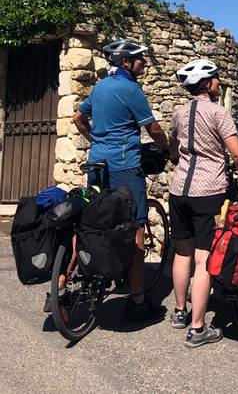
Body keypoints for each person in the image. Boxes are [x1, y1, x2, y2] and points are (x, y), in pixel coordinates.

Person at [73, 38, 170, 319]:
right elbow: (152, 128)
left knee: (92, 222)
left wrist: (95, 141)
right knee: (137, 228)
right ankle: (137, 299)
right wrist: (166, 148)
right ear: (126, 62)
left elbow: (79, 118)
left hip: (97, 164)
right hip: (125, 167)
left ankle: (67, 281)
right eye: (140, 59)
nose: (144, 63)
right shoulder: (132, 90)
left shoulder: (100, 87)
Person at [168, 58, 238, 348]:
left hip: (178, 191)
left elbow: (172, 149)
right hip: (208, 193)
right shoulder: (219, 113)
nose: (219, 82)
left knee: (182, 253)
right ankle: (198, 328)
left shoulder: (178, 113)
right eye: (216, 78)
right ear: (207, 83)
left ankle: (180, 312)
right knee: (204, 260)